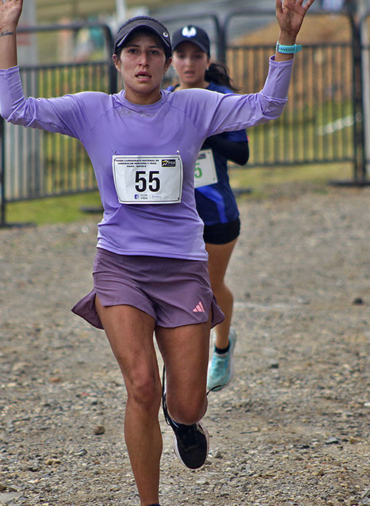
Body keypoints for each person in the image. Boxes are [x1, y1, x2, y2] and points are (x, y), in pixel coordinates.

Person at [0, 1, 315, 504]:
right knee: (140, 385)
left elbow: (266, 106)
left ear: (166, 64)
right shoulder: (91, 110)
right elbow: (16, 109)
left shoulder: (194, 106)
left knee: (188, 404)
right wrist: (7, 31)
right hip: (120, 266)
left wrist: (286, 39)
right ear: (117, 62)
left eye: (153, 53)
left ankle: (183, 418)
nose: (143, 61)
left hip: (183, 267)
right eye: (132, 52)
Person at [168, 25, 248, 393]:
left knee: (211, 288)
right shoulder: (163, 98)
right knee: (180, 291)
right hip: (173, 217)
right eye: (181, 56)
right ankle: (183, 368)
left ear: (207, 60)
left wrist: (204, 130)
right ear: (171, 60)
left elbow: (242, 153)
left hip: (216, 214)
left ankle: (221, 350)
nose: (188, 63)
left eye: (196, 56)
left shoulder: (221, 98)